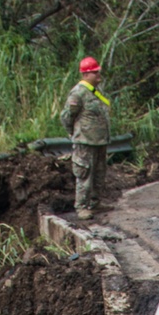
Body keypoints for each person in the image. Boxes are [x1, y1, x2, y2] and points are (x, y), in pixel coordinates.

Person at [60, 56, 111, 219]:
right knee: (84, 174)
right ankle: (81, 206)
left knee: (99, 173)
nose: (98, 75)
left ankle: (95, 203)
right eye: (94, 72)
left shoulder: (94, 91)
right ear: (86, 75)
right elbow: (67, 116)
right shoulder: (78, 93)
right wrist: (73, 133)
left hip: (99, 141)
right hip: (85, 142)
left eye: (98, 72)